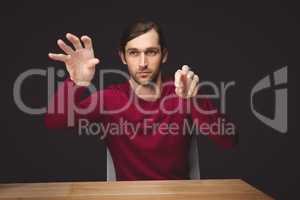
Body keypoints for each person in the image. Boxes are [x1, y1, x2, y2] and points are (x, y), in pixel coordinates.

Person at [45, 19, 237, 181]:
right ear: (123, 57)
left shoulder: (182, 91)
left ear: (164, 55)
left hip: (179, 196)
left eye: (151, 52)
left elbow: (228, 140)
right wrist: (76, 82)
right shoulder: (110, 100)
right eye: (134, 53)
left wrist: (194, 100)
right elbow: (55, 121)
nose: (143, 63)